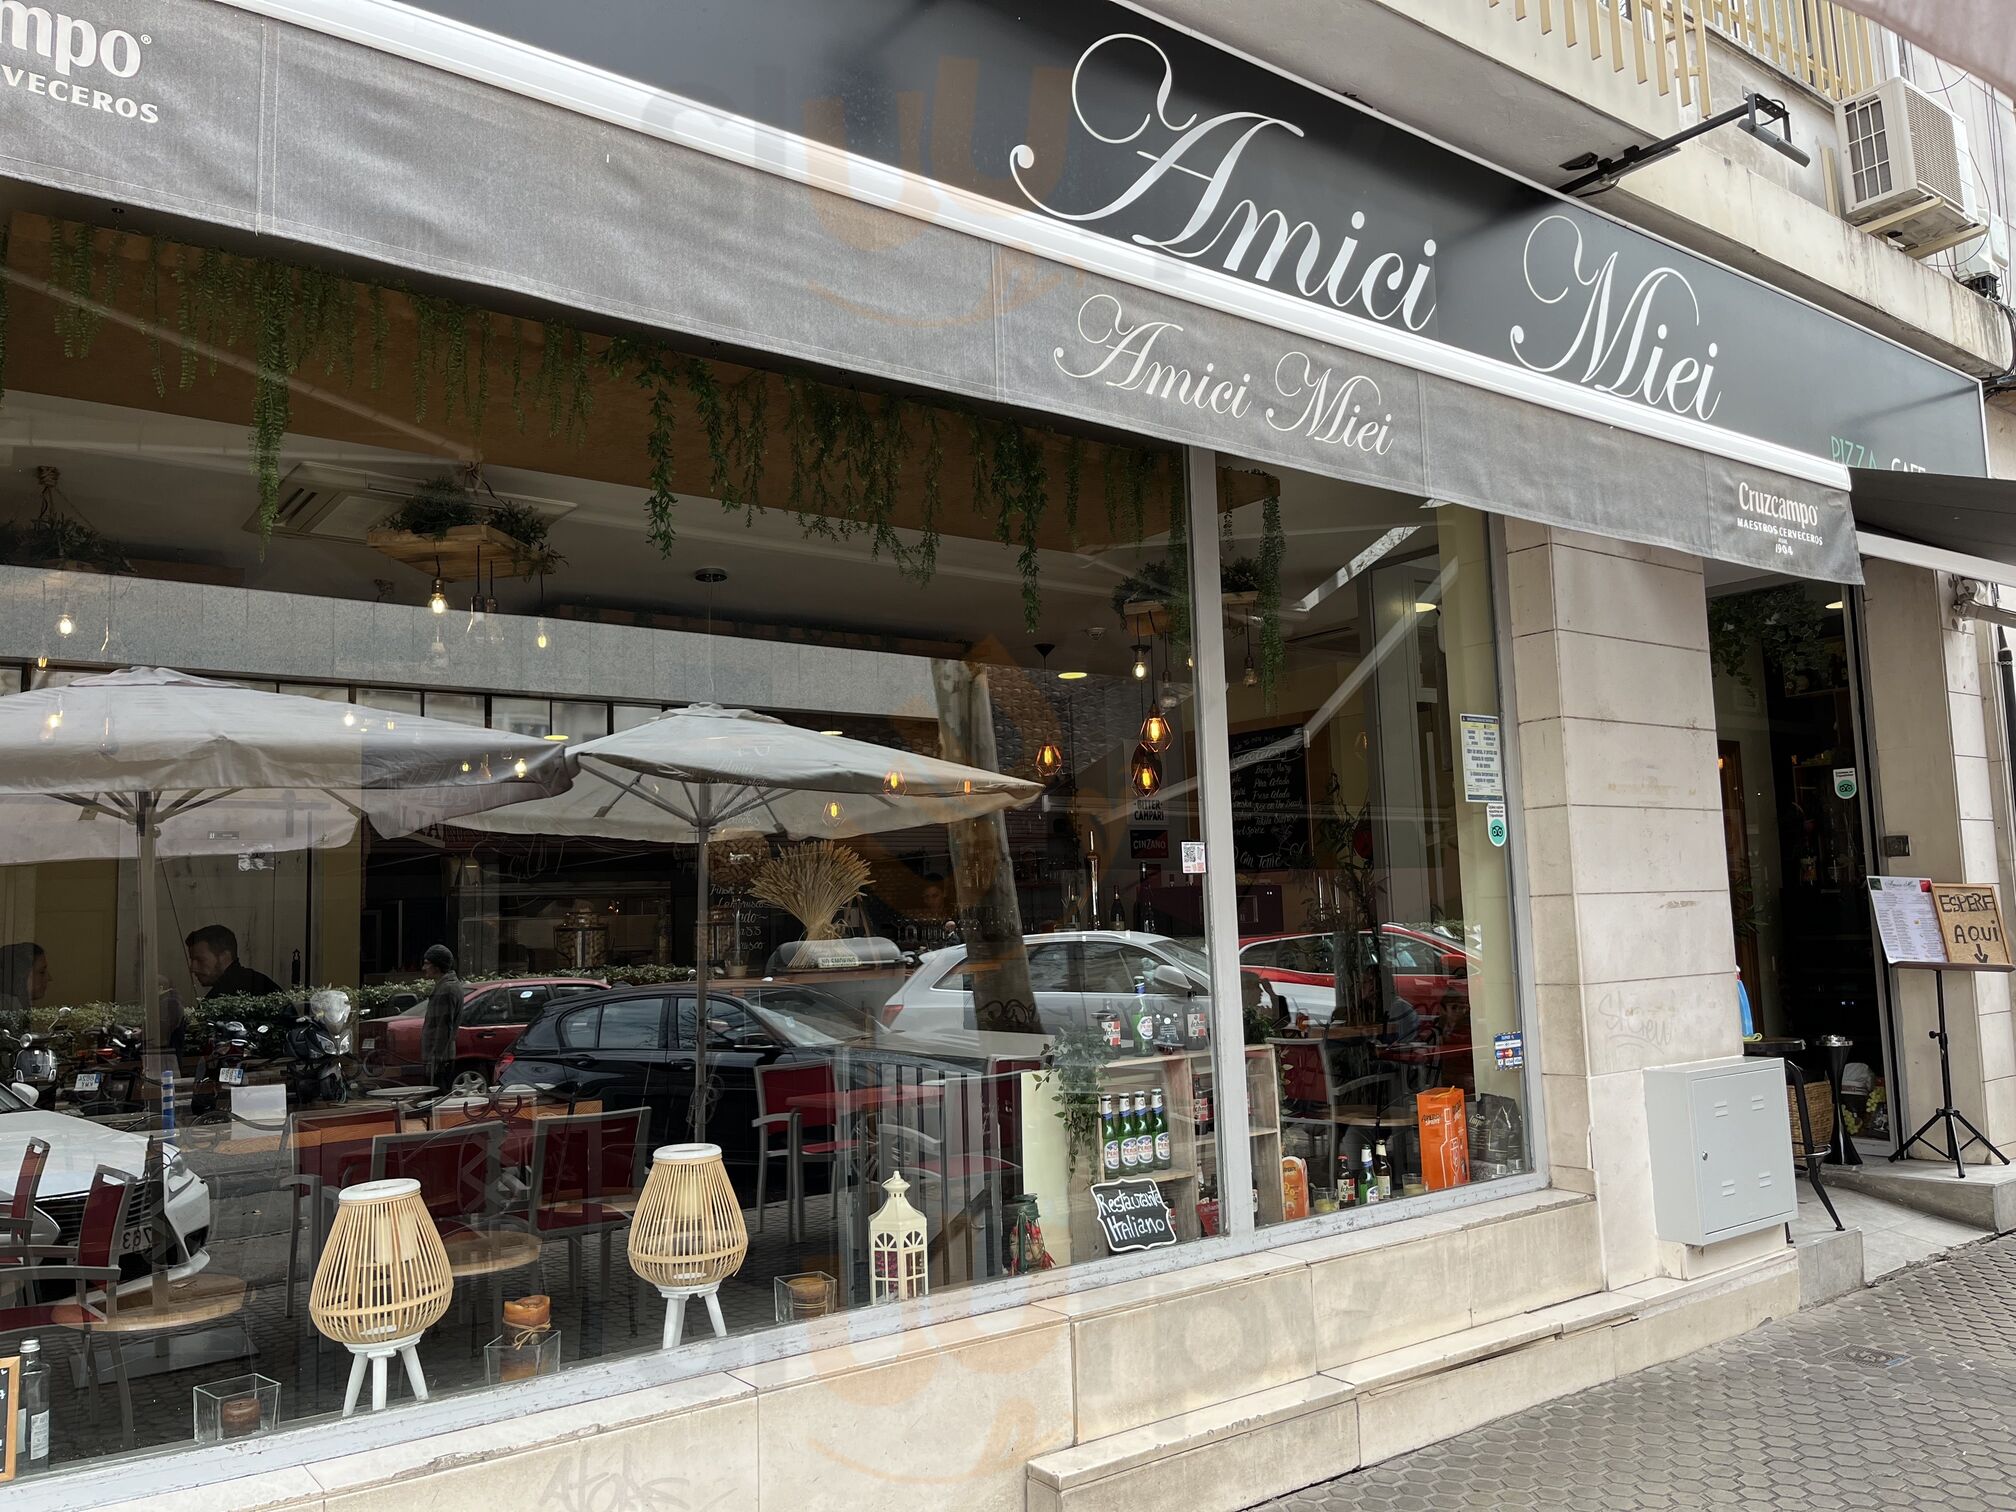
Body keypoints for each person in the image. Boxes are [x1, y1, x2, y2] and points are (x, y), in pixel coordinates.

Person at [184, 925, 283, 1000]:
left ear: (224, 957)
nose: (193, 968)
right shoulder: (261, 982)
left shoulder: (221, 998)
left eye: (200, 960)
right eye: (192, 960)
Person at [420, 944, 464, 1092]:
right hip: (440, 1058)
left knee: (436, 1098)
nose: (424, 968)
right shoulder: (447, 986)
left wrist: (435, 1060)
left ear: (437, 966)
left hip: (439, 1060)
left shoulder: (447, 989)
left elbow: (443, 1028)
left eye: (427, 963)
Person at [0, 942, 49, 1035]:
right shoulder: (8, 1012)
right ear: (21, 975)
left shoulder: (20, 1007)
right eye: (41, 972)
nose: (48, 978)